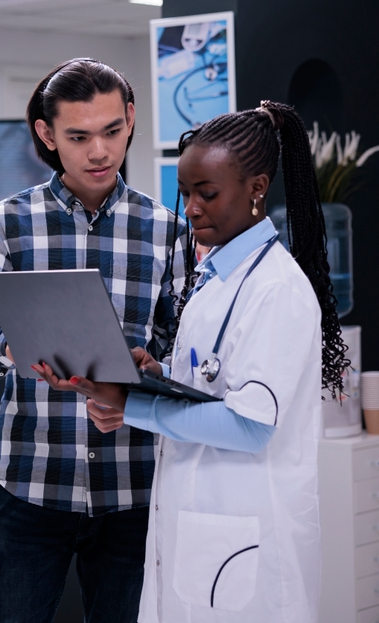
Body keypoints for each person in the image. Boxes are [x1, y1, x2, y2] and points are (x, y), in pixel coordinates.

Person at [49, 101, 343, 622]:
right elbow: (213, 380)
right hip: (201, 526)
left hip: (245, 535)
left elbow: (251, 426)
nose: (191, 209)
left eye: (206, 193)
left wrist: (132, 405)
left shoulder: (275, 288)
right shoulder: (215, 277)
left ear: (256, 188)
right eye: (185, 194)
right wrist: (159, 376)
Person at [0, 58, 187, 622]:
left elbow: (187, 358)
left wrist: (148, 376)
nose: (99, 151)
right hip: (30, 483)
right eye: (78, 137)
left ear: (131, 119)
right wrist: (12, 348)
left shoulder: (166, 230)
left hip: (134, 487)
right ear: (47, 134)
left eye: (111, 131)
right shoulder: (7, 223)